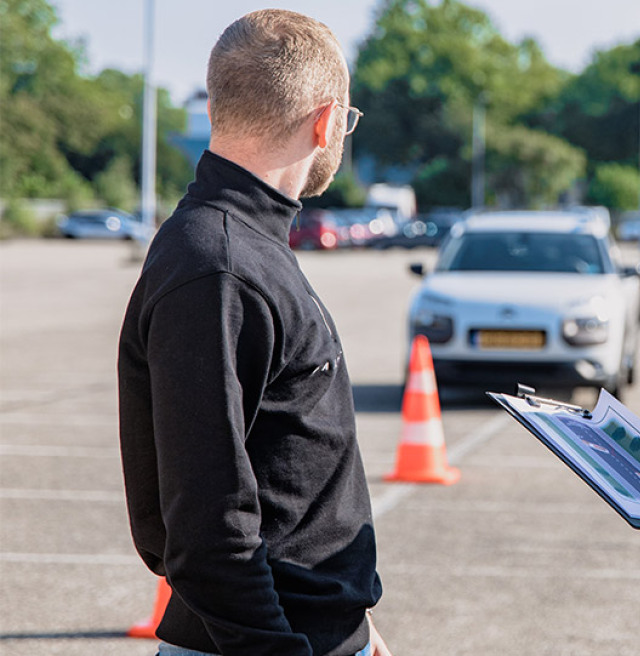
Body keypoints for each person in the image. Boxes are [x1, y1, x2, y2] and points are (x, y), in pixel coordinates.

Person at [118, 10, 389, 656]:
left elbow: (283, 477)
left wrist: (355, 626)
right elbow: (208, 534)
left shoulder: (243, 247)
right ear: (325, 123)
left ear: (217, 106)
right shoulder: (218, 266)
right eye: (346, 123)